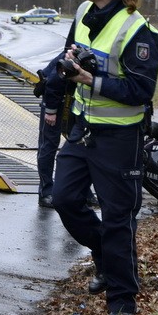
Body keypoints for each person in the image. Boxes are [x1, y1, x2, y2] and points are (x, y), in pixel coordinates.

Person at [51, 0, 158, 315]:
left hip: (120, 138)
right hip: (83, 130)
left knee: (118, 217)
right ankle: (105, 255)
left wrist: (90, 79)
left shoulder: (137, 30)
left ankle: (122, 298)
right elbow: (68, 54)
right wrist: (56, 74)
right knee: (65, 198)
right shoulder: (84, 11)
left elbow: (140, 90)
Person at [34, 56, 96, 210]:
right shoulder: (73, 58)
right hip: (53, 99)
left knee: (77, 145)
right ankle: (46, 192)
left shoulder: (94, 60)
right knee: (49, 144)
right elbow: (54, 82)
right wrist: (50, 111)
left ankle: (83, 192)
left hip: (73, 102)